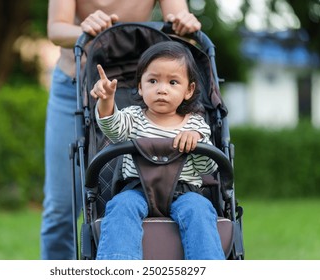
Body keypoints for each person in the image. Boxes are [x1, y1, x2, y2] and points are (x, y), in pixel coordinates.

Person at [42, 0, 202, 260]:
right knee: (60, 208)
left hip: (142, 83)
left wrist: (185, 22)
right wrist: (86, 29)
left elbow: (177, 18)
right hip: (75, 78)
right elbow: (56, 29)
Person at [90, 41, 225, 260]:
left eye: (173, 82)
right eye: (153, 81)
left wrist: (197, 144)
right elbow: (113, 129)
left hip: (186, 191)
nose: (162, 89)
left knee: (200, 209)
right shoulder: (133, 117)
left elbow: (207, 167)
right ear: (141, 87)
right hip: (136, 188)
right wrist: (106, 102)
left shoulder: (196, 124)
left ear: (188, 90)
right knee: (120, 206)